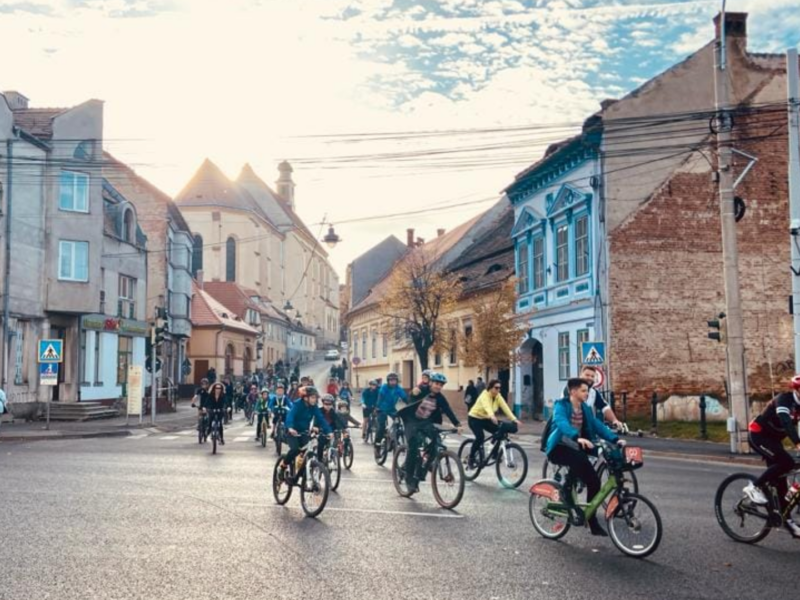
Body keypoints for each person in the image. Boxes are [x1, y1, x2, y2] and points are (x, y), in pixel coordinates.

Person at [544, 377, 624, 536]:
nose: (587, 393)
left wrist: (614, 439)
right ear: (573, 391)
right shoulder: (561, 405)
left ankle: (589, 515)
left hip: (576, 447)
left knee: (593, 480)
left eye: (587, 391)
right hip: (559, 447)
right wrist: (576, 437)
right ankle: (572, 497)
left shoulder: (585, 408)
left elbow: (597, 425)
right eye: (583, 390)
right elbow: (561, 422)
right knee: (586, 469)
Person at [744, 375, 800, 536]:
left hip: (774, 440)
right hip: (758, 435)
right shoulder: (784, 400)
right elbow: (786, 422)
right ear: (796, 389)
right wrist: (797, 443)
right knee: (786, 462)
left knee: (781, 481)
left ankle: (785, 520)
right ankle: (754, 487)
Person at [396, 372, 461, 494]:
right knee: (413, 447)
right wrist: (413, 392)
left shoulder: (440, 398)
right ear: (431, 382)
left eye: (441, 385)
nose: (438, 387)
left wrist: (457, 425)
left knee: (435, 444)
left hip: (425, 422)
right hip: (411, 420)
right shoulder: (422, 390)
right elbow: (411, 397)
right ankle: (409, 478)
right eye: (436, 383)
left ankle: (420, 473)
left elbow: (448, 410)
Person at [279, 387, 333, 481]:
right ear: (305, 398)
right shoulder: (297, 405)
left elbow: (321, 419)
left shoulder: (314, 407)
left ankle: (300, 475)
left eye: (315, 398)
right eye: (312, 397)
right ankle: (283, 467)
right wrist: (290, 428)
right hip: (292, 432)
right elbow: (290, 416)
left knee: (308, 453)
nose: (314, 400)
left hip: (304, 432)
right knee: (295, 449)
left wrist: (329, 431)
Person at [467, 378, 520, 467]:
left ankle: (494, 454)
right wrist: (492, 415)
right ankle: (471, 458)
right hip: (474, 419)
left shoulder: (498, 396)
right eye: (496, 388)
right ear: (490, 388)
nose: (498, 390)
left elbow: (505, 407)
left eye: (499, 388)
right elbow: (487, 406)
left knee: (500, 432)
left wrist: (514, 419)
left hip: (486, 419)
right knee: (480, 437)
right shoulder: (485, 395)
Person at [563, 365, 626, 431]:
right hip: (569, 428)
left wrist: (614, 420)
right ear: (580, 375)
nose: (589, 378)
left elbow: (604, 407)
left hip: (586, 429)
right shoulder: (570, 389)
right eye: (587, 375)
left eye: (592, 376)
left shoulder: (594, 392)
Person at [375, 372, 408, 448]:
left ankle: (395, 438)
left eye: (394, 380)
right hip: (381, 408)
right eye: (391, 380)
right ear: (388, 381)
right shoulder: (384, 387)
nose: (393, 382)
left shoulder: (398, 388)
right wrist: (377, 407)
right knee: (381, 426)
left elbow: (404, 398)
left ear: (397, 381)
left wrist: (410, 405)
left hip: (391, 408)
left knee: (398, 421)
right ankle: (377, 443)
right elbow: (380, 397)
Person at [317, 394, 348, 461]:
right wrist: (315, 428)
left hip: (331, 429)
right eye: (326, 404)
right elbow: (316, 421)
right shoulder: (319, 411)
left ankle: (332, 454)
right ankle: (320, 460)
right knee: (321, 444)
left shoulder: (332, 412)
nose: (328, 406)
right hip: (321, 429)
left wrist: (344, 428)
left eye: (330, 404)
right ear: (323, 403)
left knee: (337, 440)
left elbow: (338, 420)